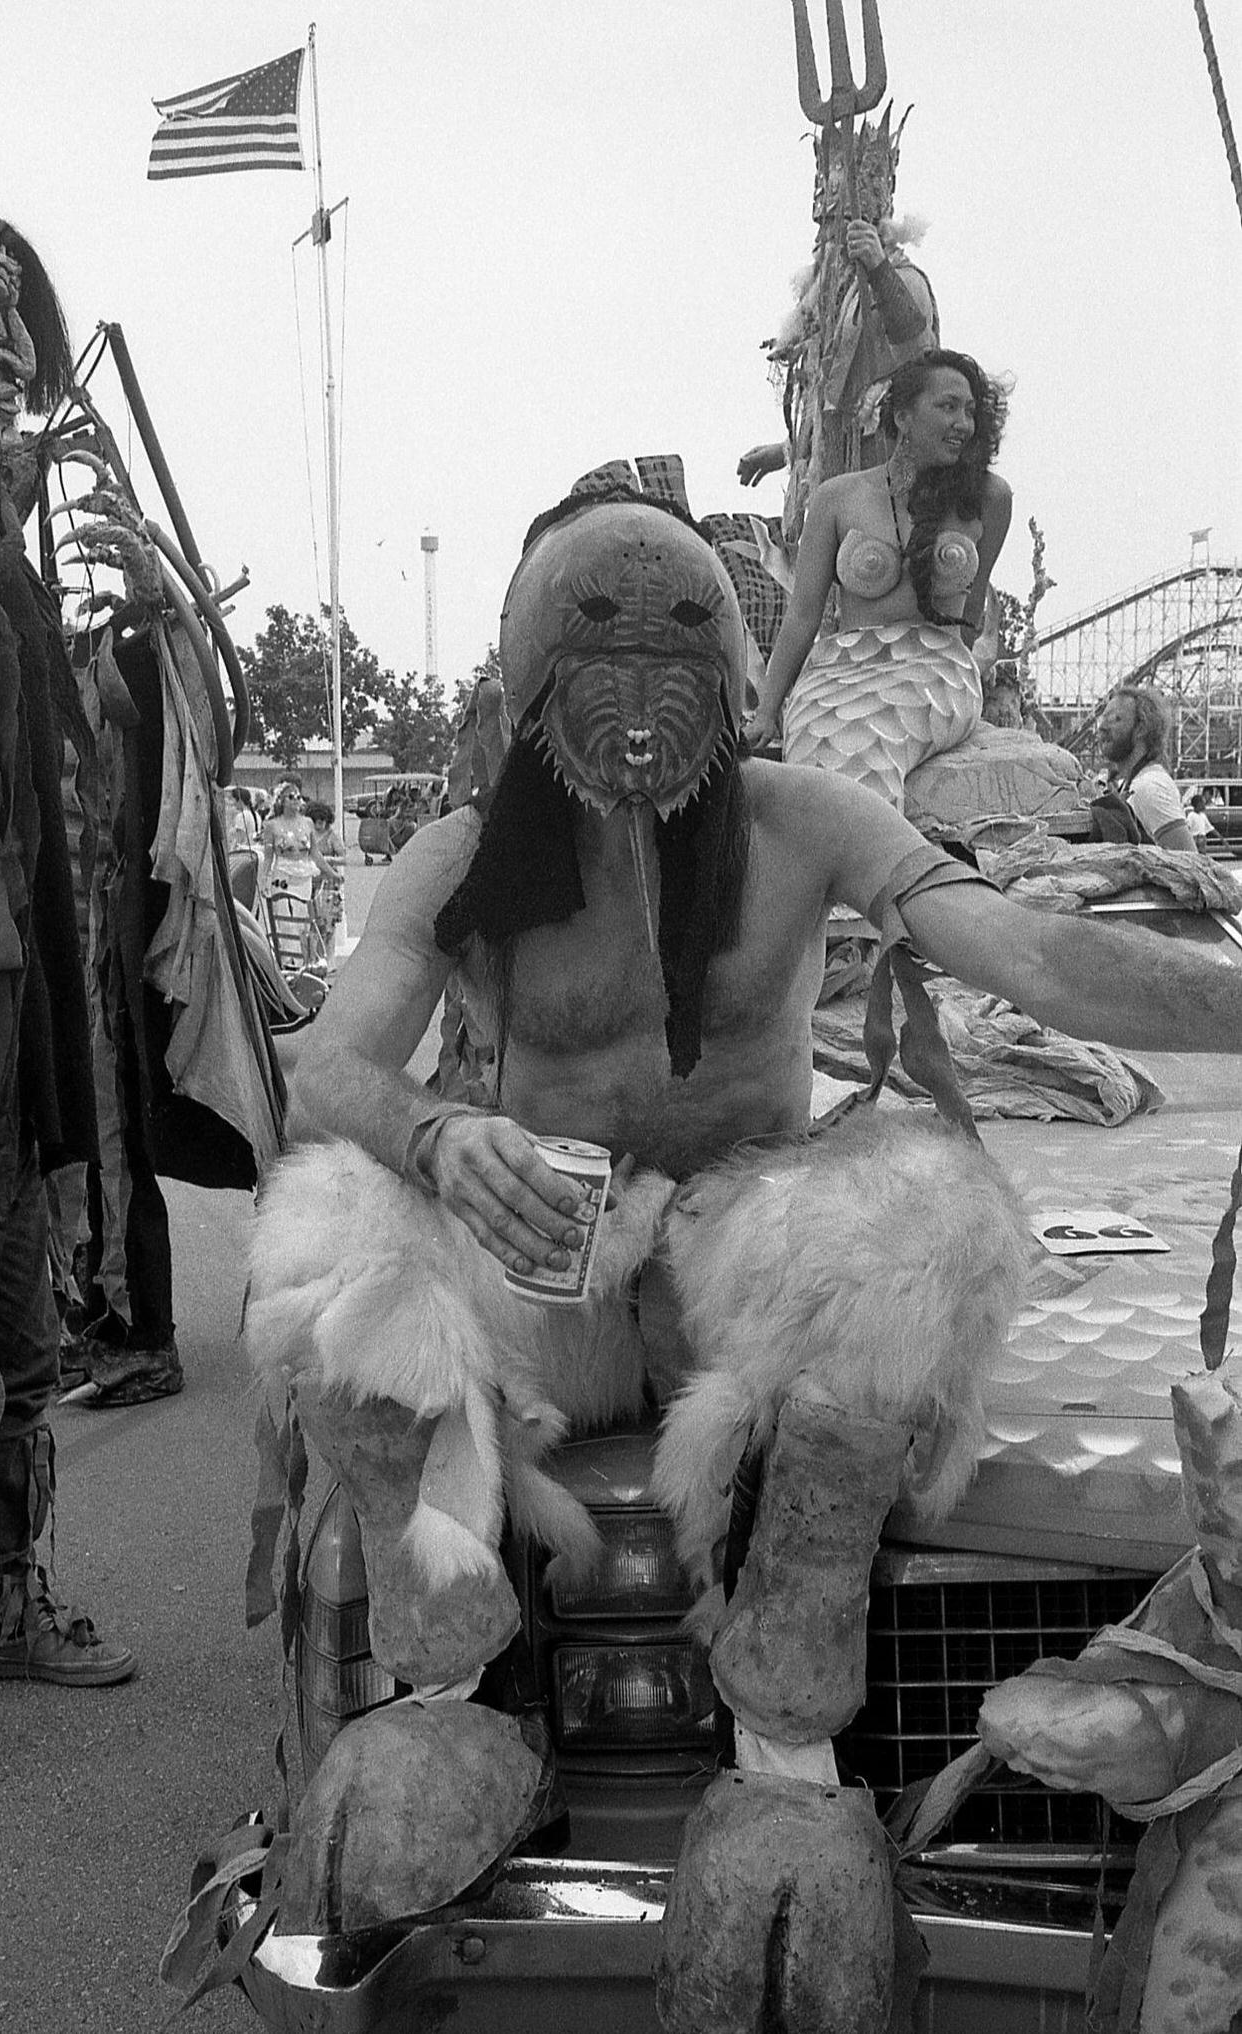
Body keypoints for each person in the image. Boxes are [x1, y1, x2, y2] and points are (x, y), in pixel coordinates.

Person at [252, 488, 1242, 2015]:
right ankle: (447, 1698)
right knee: (329, 1240)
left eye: (676, 666)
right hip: (552, 1278)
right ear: (528, 685)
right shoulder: (464, 855)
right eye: (599, 664)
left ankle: (785, 1767)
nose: (641, 723)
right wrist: (440, 1138)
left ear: (727, 677)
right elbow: (329, 1067)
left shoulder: (804, 822)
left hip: (735, 1264)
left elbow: (1031, 956)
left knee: (936, 1218)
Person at [0, 214, 134, 1728]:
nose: (15, 381)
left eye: (20, 349)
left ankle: (6, 1605)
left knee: (14, 1343)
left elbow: (41, 858)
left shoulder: (2, 585)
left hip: (0, 1055)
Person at [746, 349, 1012, 809]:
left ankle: (872, 871)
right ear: (903, 415)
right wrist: (767, 712)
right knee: (818, 736)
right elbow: (803, 616)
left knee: (869, 737)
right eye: (947, 407)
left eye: (970, 411)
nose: (963, 423)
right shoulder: (836, 498)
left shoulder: (989, 497)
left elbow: (970, 616)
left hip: (937, 667)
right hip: (840, 670)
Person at [737, 107, 938, 535]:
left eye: (839, 227)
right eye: (825, 228)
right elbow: (830, 408)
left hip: (889, 491)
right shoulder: (830, 302)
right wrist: (786, 453)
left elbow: (922, 356)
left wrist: (880, 271)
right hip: (834, 492)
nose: (829, 240)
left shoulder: (902, 280)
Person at [1095, 687, 1196, 852]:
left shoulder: (1149, 787)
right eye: (1103, 719)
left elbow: (1190, 865)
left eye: (1115, 719)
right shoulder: (1132, 783)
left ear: (1141, 728)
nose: (1102, 727)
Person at [306, 800, 345, 963]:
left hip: (328, 885)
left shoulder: (331, 836)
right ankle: (315, 957)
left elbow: (344, 857)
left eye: (322, 821)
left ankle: (329, 959)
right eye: (315, 821)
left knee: (328, 924)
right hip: (311, 883)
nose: (319, 824)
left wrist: (327, 860)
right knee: (313, 923)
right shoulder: (308, 834)